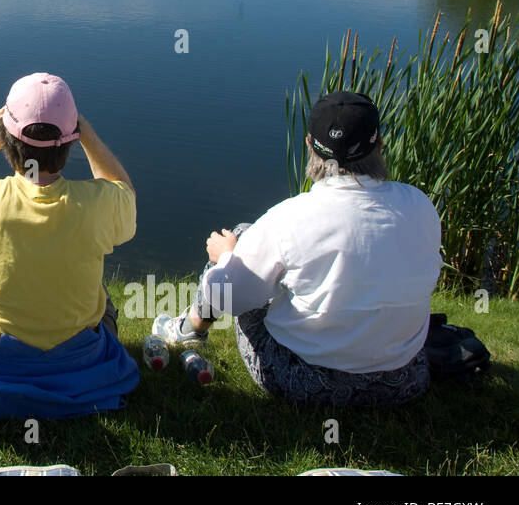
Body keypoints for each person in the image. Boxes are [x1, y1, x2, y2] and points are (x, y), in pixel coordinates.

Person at [155, 91, 442, 407]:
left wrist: (227, 256)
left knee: (239, 241)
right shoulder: (420, 205)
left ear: (309, 145)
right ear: (380, 144)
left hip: (310, 385)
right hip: (404, 381)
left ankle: (188, 331)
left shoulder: (290, 218)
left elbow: (229, 298)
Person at [0, 74, 139, 425]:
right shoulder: (98, 204)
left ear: (6, 138)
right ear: (70, 143)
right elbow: (123, 190)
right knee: (102, 294)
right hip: (78, 363)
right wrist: (87, 135)